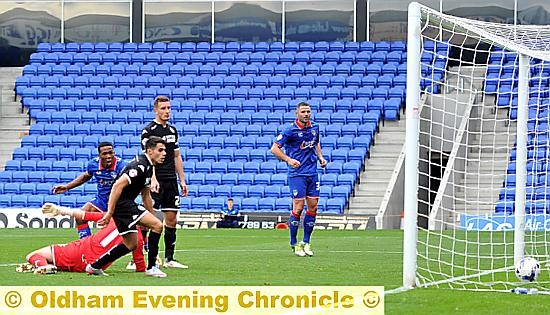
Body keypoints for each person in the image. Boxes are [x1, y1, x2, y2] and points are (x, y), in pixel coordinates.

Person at [85, 136, 168, 277]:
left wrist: (152, 215)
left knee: (131, 244)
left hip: (124, 205)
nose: (164, 153)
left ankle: (94, 266)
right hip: (123, 205)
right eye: (160, 150)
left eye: (165, 150)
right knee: (158, 226)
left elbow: (145, 195)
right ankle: (152, 266)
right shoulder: (139, 166)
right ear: (150, 151)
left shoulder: (148, 167)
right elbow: (117, 185)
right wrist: (109, 213)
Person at [270, 102, 327, 257]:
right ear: (297, 113)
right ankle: (294, 243)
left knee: (313, 206)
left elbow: (316, 143)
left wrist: (321, 157)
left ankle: (306, 242)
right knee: (298, 207)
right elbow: (274, 148)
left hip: (312, 172)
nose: (306, 114)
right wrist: (289, 160)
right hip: (297, 174)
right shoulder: (290, 130)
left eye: (308, 111)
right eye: (303, 111)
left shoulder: (315, 127)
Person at [21, 205, 146, 274]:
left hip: (78, 251)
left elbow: (84, 215)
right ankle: (49, 266)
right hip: (93, 265)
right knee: (61, 262)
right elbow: (140, 267)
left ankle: (42, 265)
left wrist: (60, 210)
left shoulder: (114, 217)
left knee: (33, 255)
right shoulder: (138, 240)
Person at [140, 95, 188, 269]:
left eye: (169, 108)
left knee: (172, 219)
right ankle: (138, 258)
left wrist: (182, 180)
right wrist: (152, 177)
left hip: (170, 180)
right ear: (156, 110)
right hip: (155, 180)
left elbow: (176, 156)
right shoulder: (148, 131)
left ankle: (169, 259)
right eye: (163, 108)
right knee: (147, 219)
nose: (167, 111)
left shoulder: (173, 131)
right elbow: (147, 157)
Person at [52, 142, 126, 239]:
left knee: (133, 225)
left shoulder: (122, 166)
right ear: (99, 155)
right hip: (102, 201)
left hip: (119, 203)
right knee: (80, 217)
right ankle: (85, 244)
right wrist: (67, 187)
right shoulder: (93, 165)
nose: (108, 156)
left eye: (111, 153)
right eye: (105, 154)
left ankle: (146, 244)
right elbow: (86, 176)